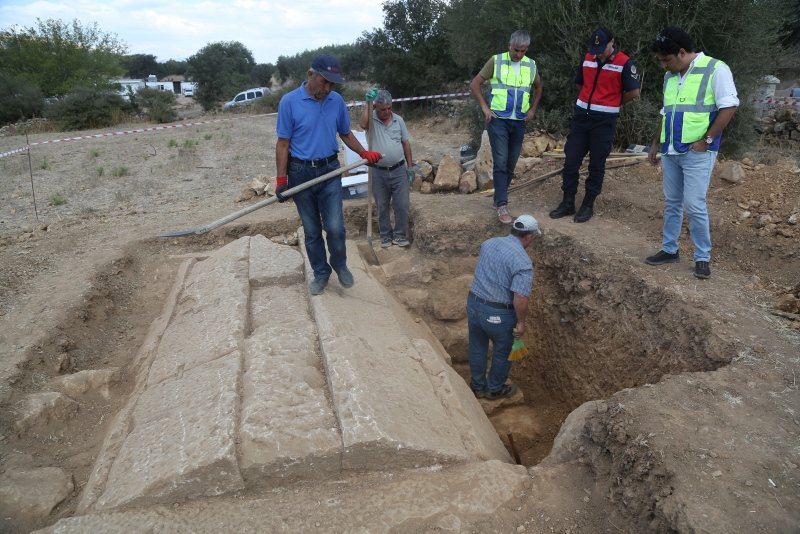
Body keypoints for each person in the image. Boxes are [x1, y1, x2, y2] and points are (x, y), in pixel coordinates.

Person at [275, 54, 381, 295]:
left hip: (330, 170)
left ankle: (340, 264)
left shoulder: (336, 101)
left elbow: (345, 133)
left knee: (335, 226)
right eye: (325, 82)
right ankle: (321, 273)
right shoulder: (289, 102)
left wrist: (365, 153)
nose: (328, 88)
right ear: (310, 75)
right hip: (300, 173)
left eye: (332, 84)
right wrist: (281, 180)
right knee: (312, 231)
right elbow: (283, 143)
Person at [645, 27, 739, 280]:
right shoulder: (670, 77)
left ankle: (702, 257)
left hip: (698, 151)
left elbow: (729, 106)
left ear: (683, 53)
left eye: (667, 60)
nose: (664, 65)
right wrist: (655, 143)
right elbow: (666, 112)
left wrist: (707, 140)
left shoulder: (715, 69)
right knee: (672, 202)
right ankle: (669, 249)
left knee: (694, 205)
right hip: (671, 149)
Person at [549, 27, 641, 223]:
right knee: (571, 159)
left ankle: (588, 204)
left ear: (612, 42)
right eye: (594, 49)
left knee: (597, 164)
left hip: (604, 122)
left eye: (601, 48)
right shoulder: (588, 58)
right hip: (582, 118)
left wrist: (612, 102)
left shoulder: (624, 63)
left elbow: (634, 93)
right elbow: (579, 83)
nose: (597, 53)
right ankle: (567, 202)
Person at [470, 30, 543, 224]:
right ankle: (502, 205)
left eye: (523, 51)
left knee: (511, 164)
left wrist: (532, 110)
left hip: (519, 121)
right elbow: (475, 84)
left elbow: (538, 87)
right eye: (516, 50)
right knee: (501, 162)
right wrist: (485, 107)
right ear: (509, 45)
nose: (518, 54)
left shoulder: (531, 64)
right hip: (498, 120)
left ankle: (498, 198)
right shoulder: (497, 61)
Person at [467, 214, 540, 400]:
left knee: (477, 345)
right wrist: (521, 323)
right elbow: (520, 297)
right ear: (529, 236)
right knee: (502, 350)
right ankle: (494, 389)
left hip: (474, 304)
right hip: (498, 314)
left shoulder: (489, 243)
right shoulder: (522, 261)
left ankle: (477, 387)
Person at [359, 89, 413, 248]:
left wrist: (410, 167)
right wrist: (367, 105)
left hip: (398, 170)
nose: (387, 112)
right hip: (378, 171)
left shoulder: (399, 120)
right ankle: (385, 236)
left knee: (402, 205)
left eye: (389, 108)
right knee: (382, 206)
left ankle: (400, 235)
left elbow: (406, 143)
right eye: (383, 109)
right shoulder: (371, 120)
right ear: (376, 107)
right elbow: (362, 125)